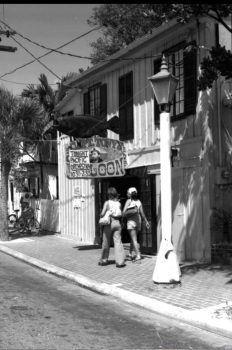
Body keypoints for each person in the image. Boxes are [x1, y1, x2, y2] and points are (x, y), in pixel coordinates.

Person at [98, 187, 126, 268]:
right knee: (118, 242)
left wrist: (102, 215)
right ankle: (120, 262)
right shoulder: (119, 204)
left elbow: (102, 213)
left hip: (109, 223)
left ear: (108, 194)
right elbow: (121, 214)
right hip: (117, 223)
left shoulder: (107, 203)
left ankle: (104, 260)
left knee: (106, 241)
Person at [123, 187, 150, 262]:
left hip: (131, 222)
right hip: (138, 221)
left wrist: (123, 217)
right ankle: (130, 253)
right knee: (133, 238)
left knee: (134, 239)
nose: (127, 194)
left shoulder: (128, 201)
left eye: (128, 193)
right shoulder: (139, 201)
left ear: (130, 194)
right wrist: (146, 221)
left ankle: (138, 255)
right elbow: (142, 213)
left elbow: (124, 212)